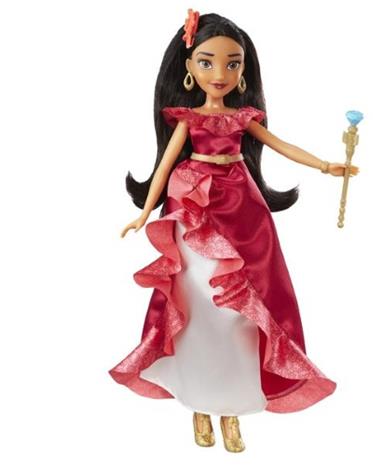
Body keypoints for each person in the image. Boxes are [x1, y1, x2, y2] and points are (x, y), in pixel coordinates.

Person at [108, 9, 359, 453]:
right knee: (199, 306)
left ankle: (232, 409)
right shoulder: (188, 119)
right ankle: (199, 403)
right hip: (194, 206)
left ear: (244, 70)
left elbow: (280, 145)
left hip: (243, 208)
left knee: (241, 313)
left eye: (232, 63)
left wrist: (326, 166)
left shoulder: (243, 118)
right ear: (189, 68)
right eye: (207, 62)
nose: (220, 74)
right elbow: (164, 166)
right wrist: (145, 213)